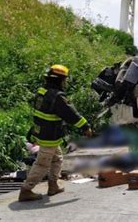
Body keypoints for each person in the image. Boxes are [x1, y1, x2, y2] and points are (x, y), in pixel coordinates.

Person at [18, 65, 92, 201]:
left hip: (43, 132)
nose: (65, 82)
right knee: (42, 164)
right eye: (64, 80)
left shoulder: (43, 92)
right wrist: (85, 127)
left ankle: (53, 185)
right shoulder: (57, 97)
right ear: (60, 80)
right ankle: (26, 190)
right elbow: (71, 114)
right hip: (49, 136)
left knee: (57, 159)